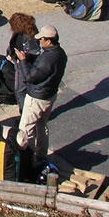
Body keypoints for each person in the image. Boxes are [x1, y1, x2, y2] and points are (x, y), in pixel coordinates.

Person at [14, 24, 67, 164]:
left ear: (48, 41)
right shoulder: (60, 54)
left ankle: (26, 159)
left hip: (36, 97)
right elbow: (43, 69)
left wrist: (23, 61)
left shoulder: (47, 59)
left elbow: (29, 78)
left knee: (25, 129)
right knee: (42, 126)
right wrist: (30, 58)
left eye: (41, 39)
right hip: (50, 95)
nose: (39, 41)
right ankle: (41, 155)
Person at [5, 13, 39, 111]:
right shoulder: (23, 32)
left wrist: (19, 59)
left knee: (20, 90)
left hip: (24, 65)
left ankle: (24, 112)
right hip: (21, 62)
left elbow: (33, 54)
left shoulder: (30, 39)